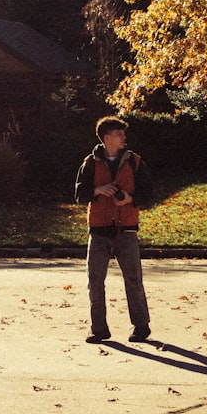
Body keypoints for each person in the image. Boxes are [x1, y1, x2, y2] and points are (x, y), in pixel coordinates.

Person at [74, 116, 154, 343]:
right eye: (119, 134)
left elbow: (148, 193)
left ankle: (141, 327)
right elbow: (79, 194)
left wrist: (129, 198)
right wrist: (99, 190)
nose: (124, 138)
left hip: (126, 229)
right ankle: (98, 329)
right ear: (107, 138)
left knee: (133, 279)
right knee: (95, 280)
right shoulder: (89, 163)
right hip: (98, 230)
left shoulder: (134, 161)